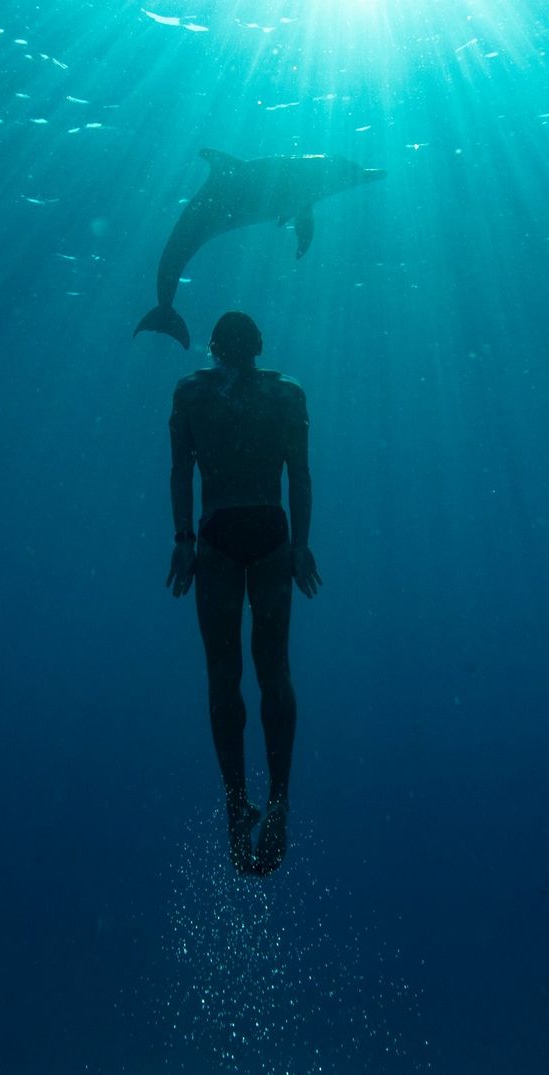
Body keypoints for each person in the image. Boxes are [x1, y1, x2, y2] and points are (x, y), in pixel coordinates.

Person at [166, 311, 321, 876]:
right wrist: (301, 544)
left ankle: (237, 801)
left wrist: (183, 538)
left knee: (223, 675)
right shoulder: (286, 393)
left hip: (217, 533)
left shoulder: (191, 392)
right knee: (273, 670)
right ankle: (278, 798)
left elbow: (181, 471)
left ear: (213, 348)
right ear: (259, 345)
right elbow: (298, 476)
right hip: (270, 530)